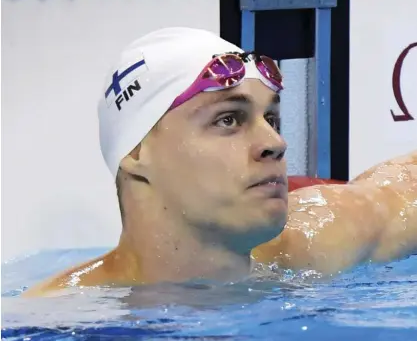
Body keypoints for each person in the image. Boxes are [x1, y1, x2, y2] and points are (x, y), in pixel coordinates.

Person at [25, 27, 417, 297]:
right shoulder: (58, 318)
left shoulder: (315, 242)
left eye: (272, 119)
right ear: (136, 152)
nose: (276, 142)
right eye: (228, 120)